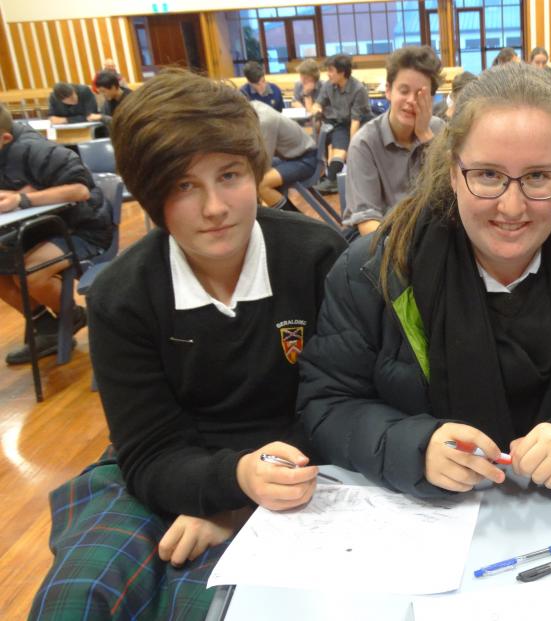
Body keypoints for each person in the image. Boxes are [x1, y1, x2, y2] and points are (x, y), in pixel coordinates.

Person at [28, 69, 347, 620]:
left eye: (229, 175)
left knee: (207, 607)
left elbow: (341, 402)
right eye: (183, 186)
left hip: (300, 464)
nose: (216, 207)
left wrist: (239, 502)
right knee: (76, 600)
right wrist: (229, 484)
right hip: (166, 470)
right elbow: (149, 450)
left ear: (255, 170)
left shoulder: (317, 256)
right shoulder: (120, 297)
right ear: (151, 196)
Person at [297, 63, 551, 499]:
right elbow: (328, 405)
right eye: (487, 175)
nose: (512, 206)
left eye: (538, 176)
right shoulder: (374, 273)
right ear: (451, 171)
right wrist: (416, 449)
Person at [0, 107, 109, 365]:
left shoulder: (39, 150)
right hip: (38, 229)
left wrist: (23, 198)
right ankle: (47, 328)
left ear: (5, 138)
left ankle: (71, 317)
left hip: (82, 227)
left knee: (29, 272)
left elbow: (80, 190)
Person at [344, 46, 444, 236]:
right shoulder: (364, 144)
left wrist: (425, 136)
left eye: (421, 94)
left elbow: (454, 195)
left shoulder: (438, 131)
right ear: (388, 91)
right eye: (404, 91)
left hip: (432, 235)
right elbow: (367, 222)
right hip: (383, 238)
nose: (411, 101)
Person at [312, 53, 372, 194]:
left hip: (362, 124)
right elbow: (319, 102)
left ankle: (333, 180)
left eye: (331, 71)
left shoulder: (358, 89)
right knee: (338, 149)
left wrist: (353, 146)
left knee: (348, 148)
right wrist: (317, 108)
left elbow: (355, 121)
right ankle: (332, 180)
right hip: (341, 123)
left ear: (342, 73)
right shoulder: (329, 85)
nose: (328, 74)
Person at [248, 100, 319, 210]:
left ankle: (294, 222)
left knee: (261, 184)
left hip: (306, 160)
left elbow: (264, 162)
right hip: (291, 158)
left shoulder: (265, 121)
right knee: (252, 176)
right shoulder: (253, 106)